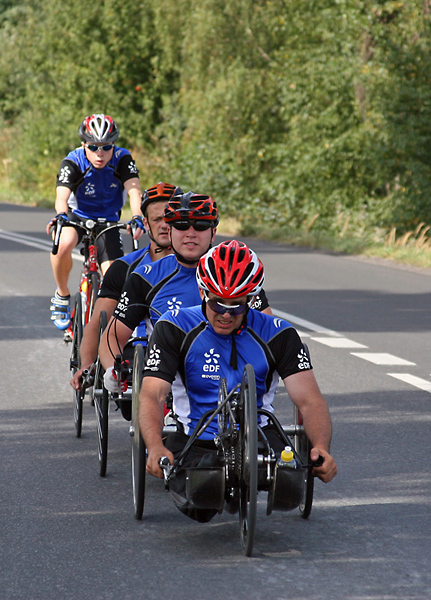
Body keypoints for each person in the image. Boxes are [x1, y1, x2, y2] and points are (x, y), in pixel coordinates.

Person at [139, 240, 337, 523]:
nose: (226, 314)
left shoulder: (279, 334)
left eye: (237, 305)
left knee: (291, 489)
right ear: (202, 292)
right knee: (202, 502)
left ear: (251, 299)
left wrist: (321, 448)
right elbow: (152, 395)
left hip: (260, 433)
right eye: (218, 303)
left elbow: (310, 400)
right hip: (196, 435)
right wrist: (155, 445)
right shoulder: (174, 327)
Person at [98, 193, 272, 391]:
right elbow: (113, 336)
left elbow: (268, 333)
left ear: (213, 233)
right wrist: (112, 369)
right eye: (181, 225)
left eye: (200, 226)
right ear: (169, 231)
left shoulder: (237, 271)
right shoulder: (145, 277)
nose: (191, 233)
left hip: (233, 372)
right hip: (169, 375)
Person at [70, 182, 178, 393]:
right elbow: (97, 322)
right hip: (134, 354)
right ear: (146, 224)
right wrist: (86, 366)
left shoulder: (203, 265)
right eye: (157, 220)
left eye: (170, 219)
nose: (165, 225)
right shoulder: (124, 268)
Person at [46, 114, 144, 330]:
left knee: (113, 276)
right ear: (83, 145)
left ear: (114, 145)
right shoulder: (73, 161)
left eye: (106, 147)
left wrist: (137, 216)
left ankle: (105, 329)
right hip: (77, 215)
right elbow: (61, 196)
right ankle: (62, 295)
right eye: (93, 147)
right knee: (62, 243)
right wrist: (61, 214)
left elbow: (134, 190)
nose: (100, 153)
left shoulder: (122, 159)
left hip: (108, 220)